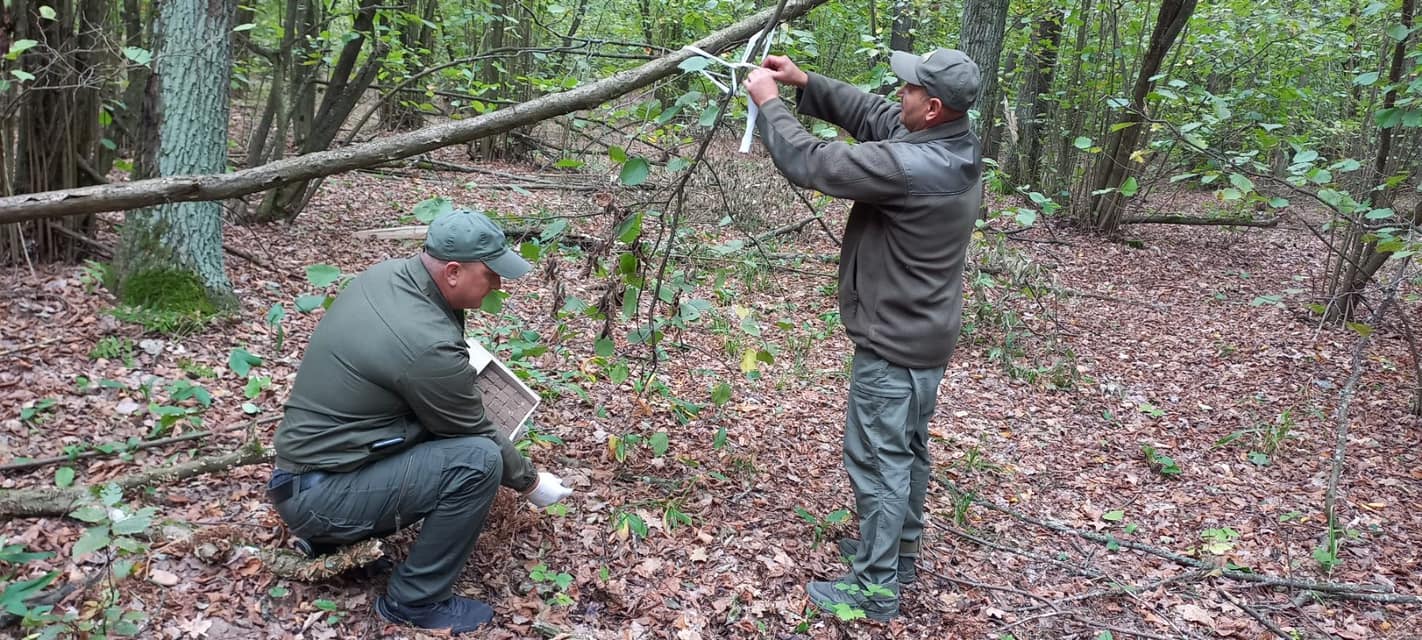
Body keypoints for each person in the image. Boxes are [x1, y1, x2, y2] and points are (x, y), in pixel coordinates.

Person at [743, 48, 983, 621]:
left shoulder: (913, 167)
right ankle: (896, 554)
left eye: (910, 90)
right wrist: (807, 83)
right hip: (924, 337)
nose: (899, 94)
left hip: (894, 346)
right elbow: (878, 116)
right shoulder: (953, 144)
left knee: (878, 462)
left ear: (934, 107)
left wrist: (771, 106)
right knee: (906, 453)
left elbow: (817, 164)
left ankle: (874, 589)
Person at [268, 209, 573, 635]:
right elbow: (473, 430)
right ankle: (416, 600)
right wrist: (532, 483)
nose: (498, 285)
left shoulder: (390, 277)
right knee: (479, 460)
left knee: (452, 436)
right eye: (491, 274)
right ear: (453, 271)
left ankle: (330, 539)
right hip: (319, 496)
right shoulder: (425, 344)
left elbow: (414, 365)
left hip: (304, 474)